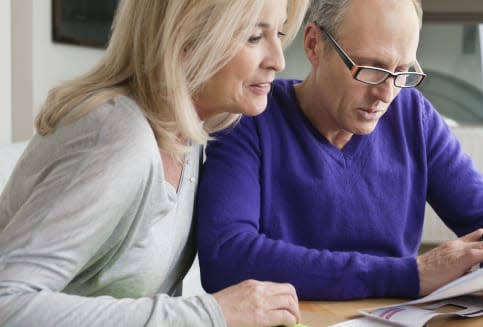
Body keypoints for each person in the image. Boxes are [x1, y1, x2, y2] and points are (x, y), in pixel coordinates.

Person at [195, 0, 483, 317]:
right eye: (371, 68)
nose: (385, 94)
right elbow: (227, 257)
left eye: (402, 72)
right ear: (313, 45)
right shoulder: (249, 117)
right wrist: (411, 274)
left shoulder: (411, 116)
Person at [0, 0, 308, 326]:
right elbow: (8, 303)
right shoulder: (121, 140)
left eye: (280, 32)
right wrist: (210, 314)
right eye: (253, 37)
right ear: (188, 39)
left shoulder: (184, 133)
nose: (278, 60)